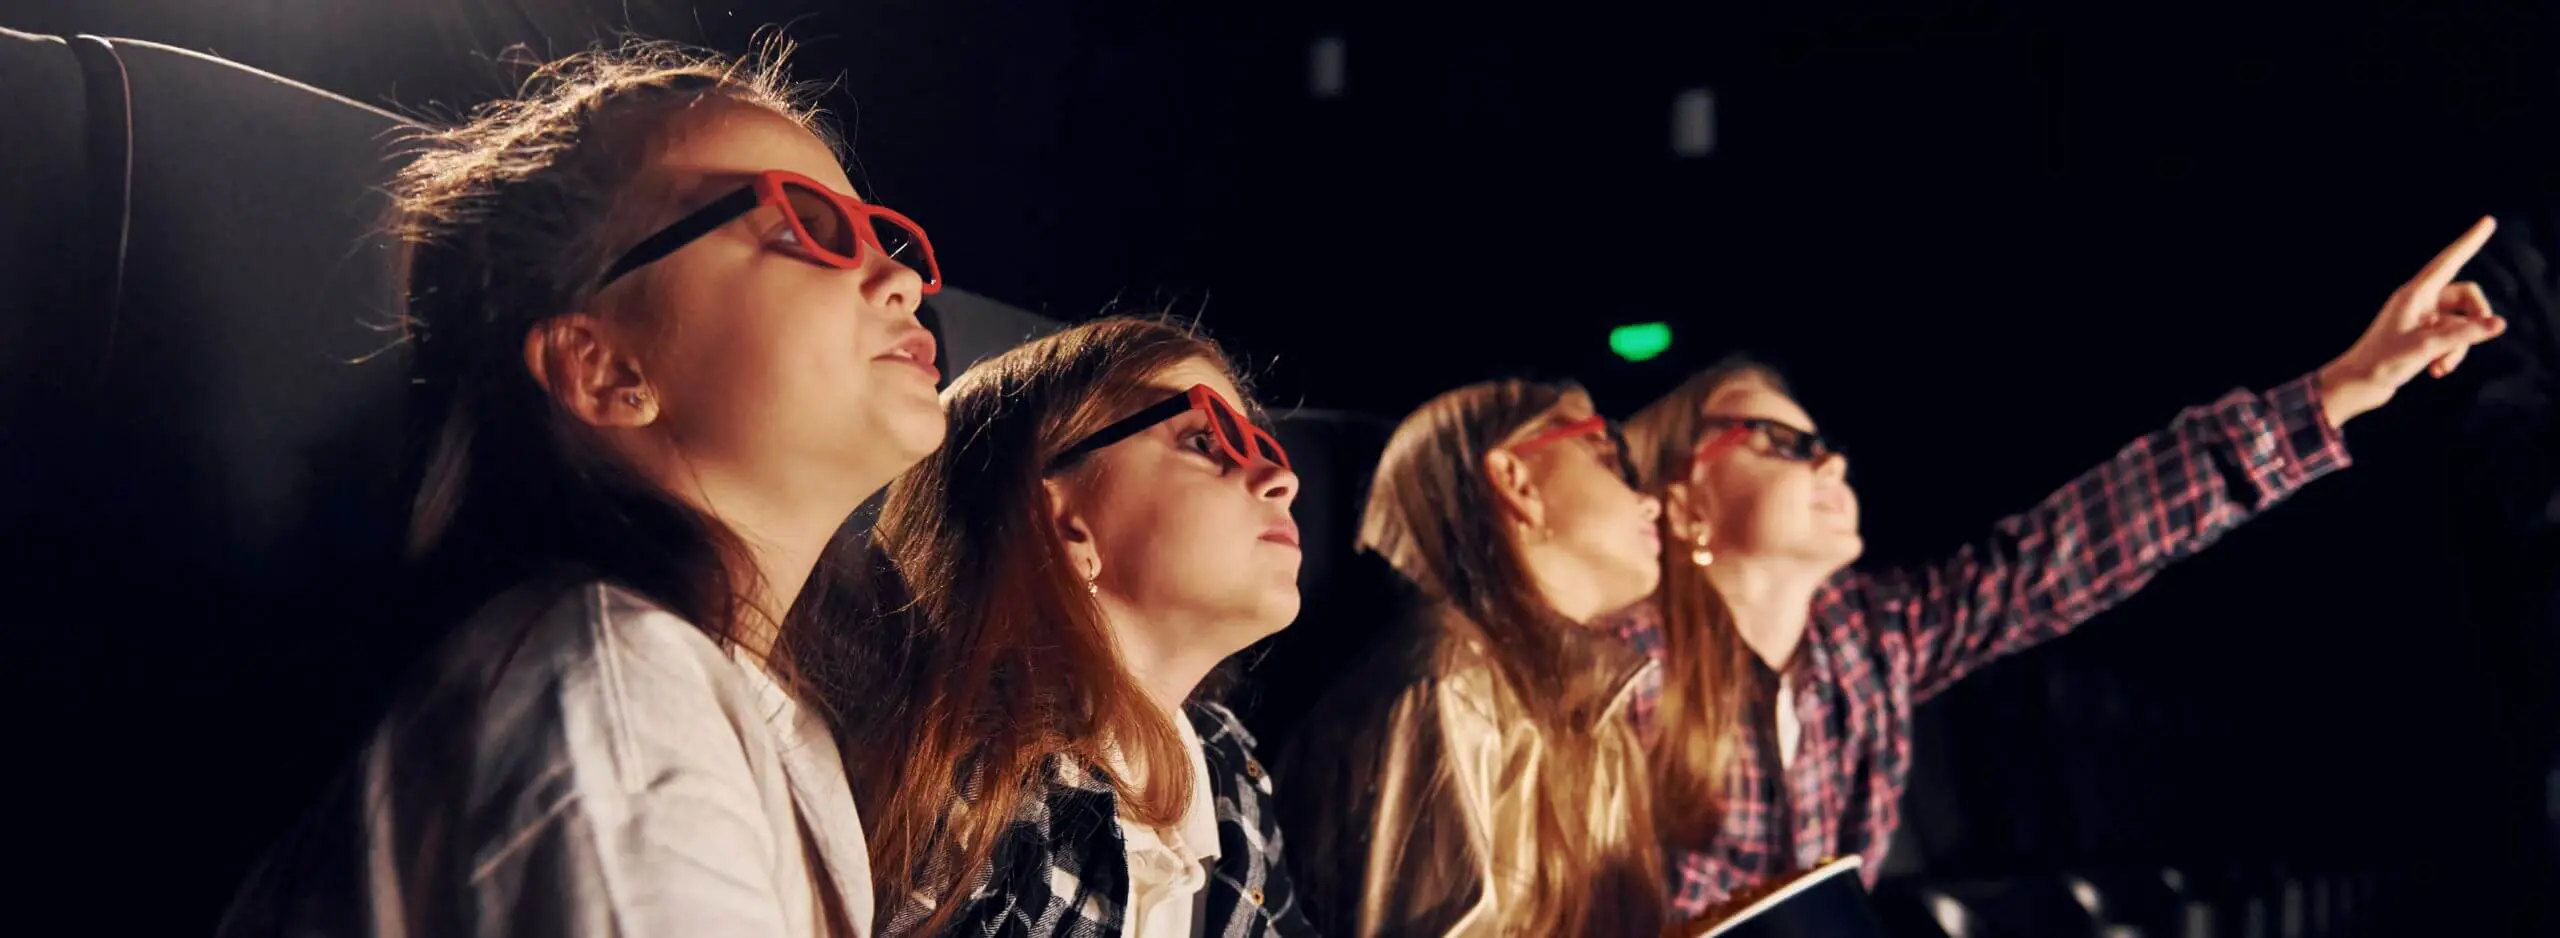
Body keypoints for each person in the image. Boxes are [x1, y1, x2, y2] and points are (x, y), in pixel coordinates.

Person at [218, 40, 944, 937]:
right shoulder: (611, 689)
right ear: (604, 370)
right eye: (808, 224)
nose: (904, 280)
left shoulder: (780, 728)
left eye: (881, 233)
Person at [1612, 217, 2514, 916]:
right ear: (1682, 496)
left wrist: (2346, 387)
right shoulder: (1616, 664)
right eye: (1779, 440)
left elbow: (2076, 544)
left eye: (1826, 444)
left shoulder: (1871, 643)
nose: (1829, 463)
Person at [835, 317, 1316, 937]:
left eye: (1263, 445)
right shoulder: (975, 796)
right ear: (1058, 519)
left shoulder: (1228, 764)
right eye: (1204, 440)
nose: (1284, 479)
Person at [1275, 379, 1697, 936]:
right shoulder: (1446, 683)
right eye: (1607, 455)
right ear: (1516, 481)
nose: (1648, 498)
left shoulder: (1595, 707)